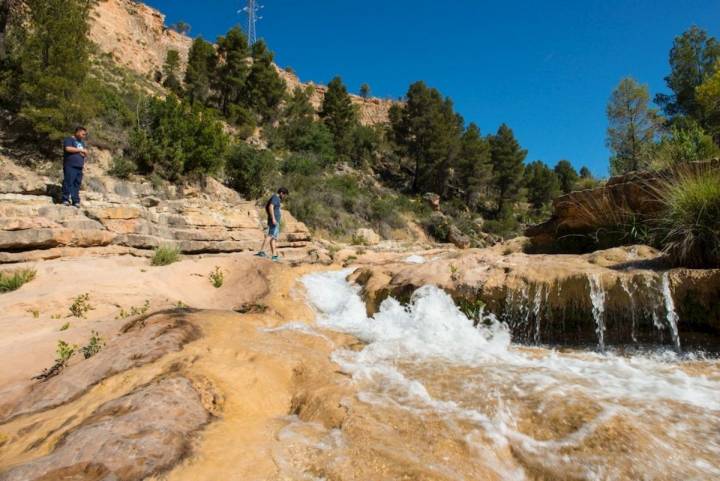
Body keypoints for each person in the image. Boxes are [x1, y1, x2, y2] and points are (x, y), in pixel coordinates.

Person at [255, 187, 289, 262]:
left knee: (273, 238)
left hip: (275, 220)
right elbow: (270, 206)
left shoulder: (276, 199)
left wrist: (272, 217)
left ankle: (274, 255)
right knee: (270, 235)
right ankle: (262, 251)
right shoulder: (275, 197)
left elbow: (267, 207)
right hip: (274, 220)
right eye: (284, 195)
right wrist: (273, 218)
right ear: (281, 193)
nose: (284, 197)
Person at [61, 127, 88, 207]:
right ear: (77, 132)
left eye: (85, 134)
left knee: (77, 184)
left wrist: (84, 154)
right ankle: (65, 199)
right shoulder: (69, 139)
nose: (84, 136)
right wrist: (81, 150)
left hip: (79, 166)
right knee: (68, 182)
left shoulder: (81, 143)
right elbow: (68, 148)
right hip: (70, 165)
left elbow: (81, 152)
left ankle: (75, 200)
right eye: (83, 134)